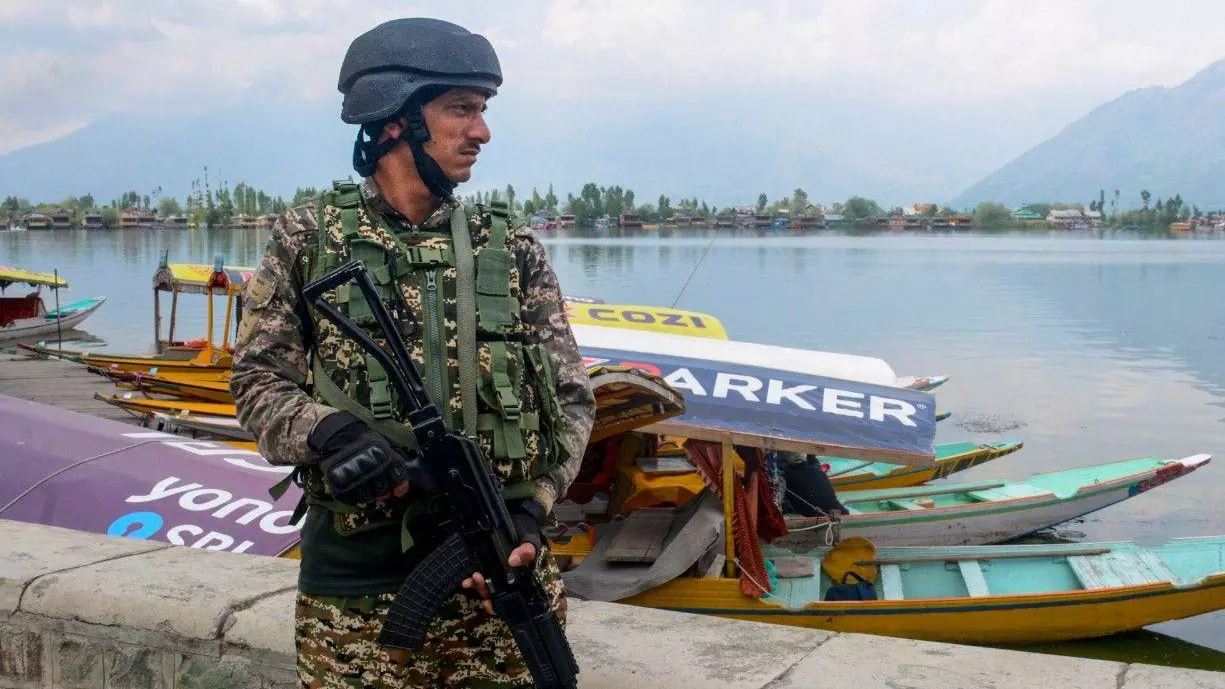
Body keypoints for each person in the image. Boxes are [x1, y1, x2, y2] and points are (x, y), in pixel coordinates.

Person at [229, 17, 597, 689]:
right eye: (460, 109)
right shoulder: (309, 239)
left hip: (501, 585)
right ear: (394, 118)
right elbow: (256, 382)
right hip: (357, 593)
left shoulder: (510, 248)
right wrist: (331, 432)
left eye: (481, 111)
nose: (480, 131)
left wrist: (532, 508)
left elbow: (572, 398)